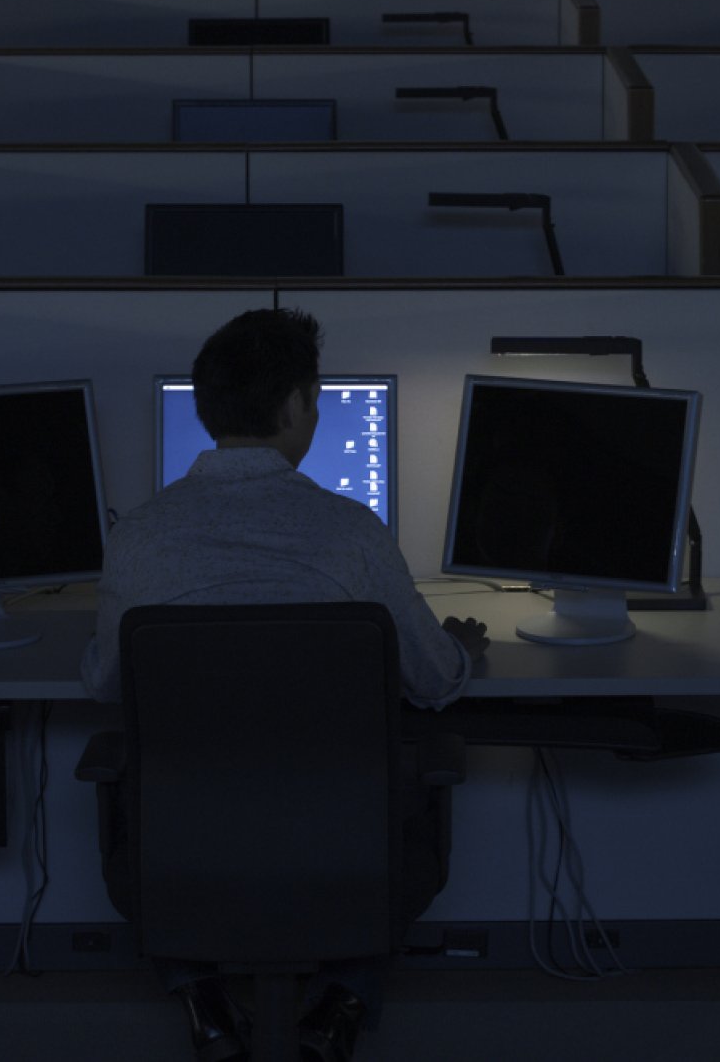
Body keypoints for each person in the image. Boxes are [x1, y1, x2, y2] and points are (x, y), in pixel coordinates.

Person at [82, 307, 489, 1062]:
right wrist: (460, 651)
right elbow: (434, 683)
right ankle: (339, 1005)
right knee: (409, 808)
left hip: (182, 851)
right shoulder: (353, 532)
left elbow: (106, 682)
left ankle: (201, 998)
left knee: (136, 819)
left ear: (207, 407)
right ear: (299, 404)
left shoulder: (137, 536)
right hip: (345, 849)